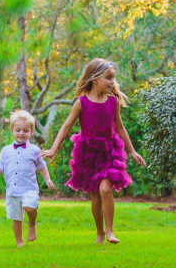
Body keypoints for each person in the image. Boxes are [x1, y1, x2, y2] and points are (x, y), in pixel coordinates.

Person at [41, 58, 146, 244]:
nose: (112, 82)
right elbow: (66, 127)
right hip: (87, 153)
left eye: (113, 78)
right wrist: (53, 149)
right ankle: (99, 233)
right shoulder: (81, 103)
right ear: (95, 78)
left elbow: (120, 128)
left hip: (109, 151)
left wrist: (132, 151)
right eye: (109, 78)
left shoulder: (113, 102)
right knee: (95, 195)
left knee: (105, 189)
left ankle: (110, 230)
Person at [0, 110, 54, 247]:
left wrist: (47, 180)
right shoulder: (6, 151)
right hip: (12, 191)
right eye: (18, 130)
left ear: (31, 131)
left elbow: (42, 166)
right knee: (16, 218)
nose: (21, 133)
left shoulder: (34, 150)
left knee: (30, 207)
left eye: (25, 130)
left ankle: (32, 223)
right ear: (12, 130)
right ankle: (19, 242)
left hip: (29, 189)